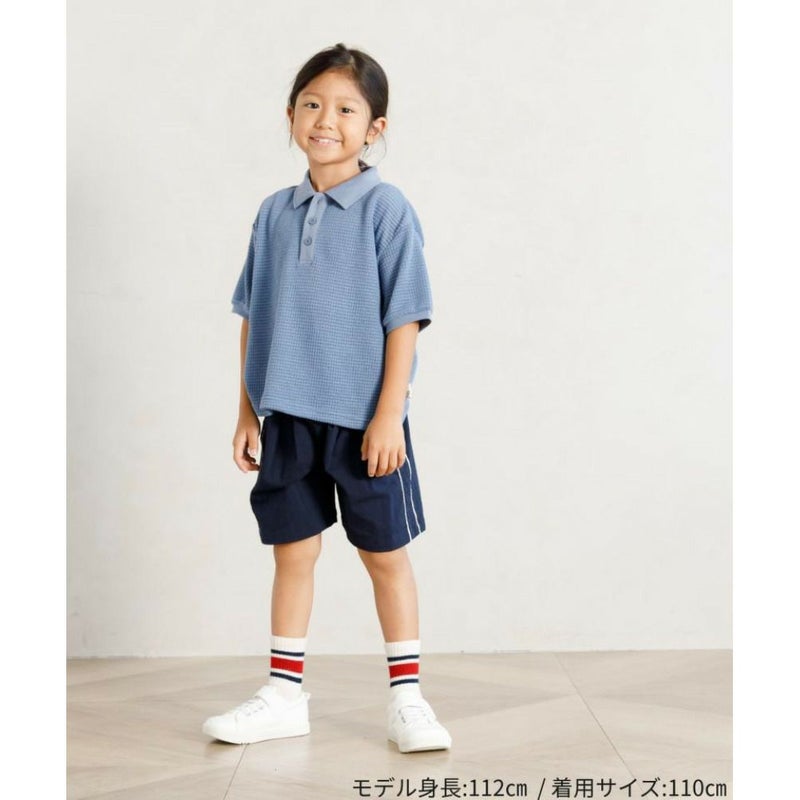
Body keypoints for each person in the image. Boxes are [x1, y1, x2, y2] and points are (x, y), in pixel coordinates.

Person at [202, 43, 452, 753]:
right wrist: (247, 410)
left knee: (385, 555)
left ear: (375, 127)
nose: (326, 120)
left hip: (365, 423)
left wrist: (388, 415)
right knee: (293, 552)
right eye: (312, 104)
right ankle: (284, 695)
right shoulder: (274, 214)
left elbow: (405, 319)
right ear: (290, 115)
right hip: (286, 416)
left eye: (346, 109)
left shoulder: (386, 209)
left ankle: (408, 699)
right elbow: (253, 315)